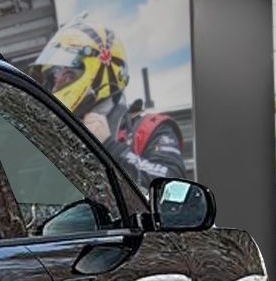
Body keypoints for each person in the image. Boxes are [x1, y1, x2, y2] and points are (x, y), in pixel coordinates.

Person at [30, 18, 188, 188]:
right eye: (54, 77)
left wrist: (110, 146)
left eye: (67, 75)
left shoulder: (147, 129)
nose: (56, 85)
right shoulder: (61, 137)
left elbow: (173, 184)